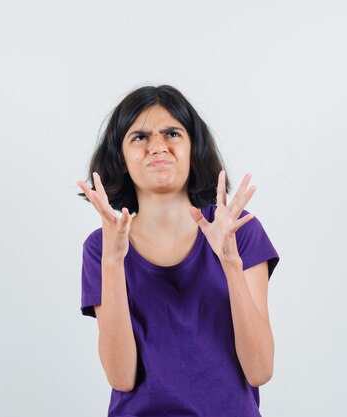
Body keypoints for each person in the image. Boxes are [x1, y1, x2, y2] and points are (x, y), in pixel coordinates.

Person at [77, 85, 280, 417]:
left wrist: (229, 262)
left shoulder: (239, 232)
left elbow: (260, 370)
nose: (158, 146)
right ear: (123, 160)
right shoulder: (102, 247)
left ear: (192, 149)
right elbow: (121, 377)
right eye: (139, 137)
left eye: (172, 133)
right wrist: (113, 262)